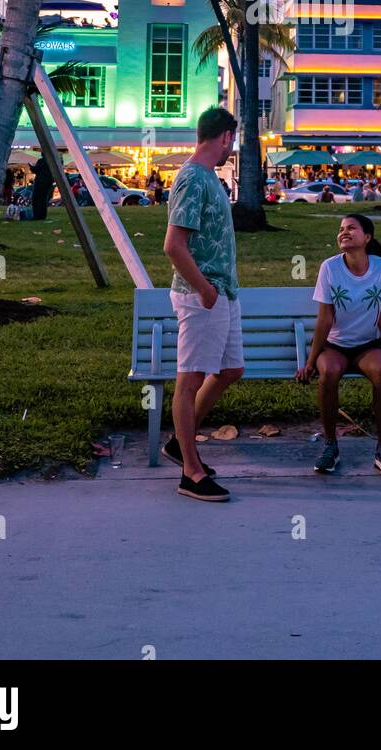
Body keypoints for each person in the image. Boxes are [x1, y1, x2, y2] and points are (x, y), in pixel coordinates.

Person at [296, 214, 381, 477]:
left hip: (368, 344)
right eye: (341, 229)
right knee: (328, 372)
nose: (344, 232)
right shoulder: (329, 268)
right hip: (335, 345)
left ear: (367, 237)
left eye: (351, 228)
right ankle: (331, 445)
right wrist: (310, 362)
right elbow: (325, 319)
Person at [162, 106, 244, 503]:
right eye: (234, 139)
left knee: (231, 368)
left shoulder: (210, 177)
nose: (233, 146)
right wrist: (205, 291)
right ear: (226, 136)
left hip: (222, 294)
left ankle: (181, 441)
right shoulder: (192, 178)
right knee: (189, 378)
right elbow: (173, 245)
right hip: (202, 297)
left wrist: (219, 292)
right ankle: (190, 473)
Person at [30, 156, 54, 220]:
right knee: (44, 199)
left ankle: (37, 215)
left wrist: (31, 166)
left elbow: (36, 170)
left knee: (36, 199)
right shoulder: (51, 160)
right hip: (48, 182)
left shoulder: (41, 161)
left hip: (40, 182)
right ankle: (43, 215)